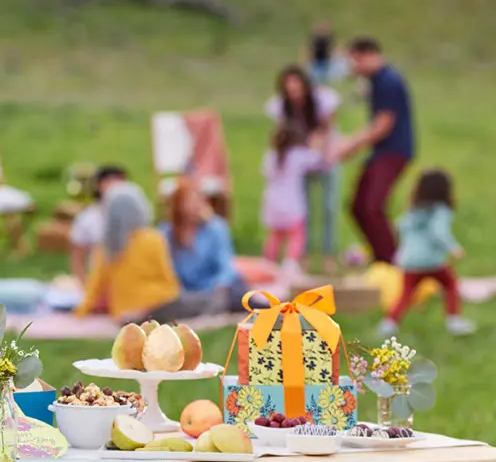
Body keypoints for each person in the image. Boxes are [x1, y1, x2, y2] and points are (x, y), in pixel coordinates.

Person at [75, 183, 220, 324]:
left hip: (124, 313)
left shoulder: (105, 248)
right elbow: (168, 279)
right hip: (160, 304)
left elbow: (95, 284)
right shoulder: (152, 238)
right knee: (209, 300)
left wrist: (81, 311)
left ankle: (141, 316)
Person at [335, 36, 415, 265]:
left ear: (368, 56)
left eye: (355, 61)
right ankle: (381, 255)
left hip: (394, 150)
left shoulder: (388, 81)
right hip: (381, 152)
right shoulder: (376, 81)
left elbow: (383, 124)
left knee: (372, 206)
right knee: (358, 206)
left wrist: (351, 145)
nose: (353, 68)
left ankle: (393, 261)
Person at [378, 169, 474, 336]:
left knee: (406, 294)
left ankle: (389, 324)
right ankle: (454, 320)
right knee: (450, 285)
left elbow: (399, 227)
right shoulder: (441, 210)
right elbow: (439, 232)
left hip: (409, 261)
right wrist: (453, 248)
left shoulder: (414, 210)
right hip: (431, 261)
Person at [265, 64, 341, 272]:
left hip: (323, 156)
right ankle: (302, 255)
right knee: (302, 208)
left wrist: (320, 147)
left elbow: (329, 127)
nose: (294, 95)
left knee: (328, 207)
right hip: (302, 160)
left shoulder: (321, 100)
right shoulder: (282, 107)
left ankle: (327, 254)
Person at [159, 179, 246, 312]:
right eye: (191, 201)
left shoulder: (215, 228)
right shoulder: (166, 233)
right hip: (185, 294)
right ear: (179, 205)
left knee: (237, 294)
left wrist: (218, 287)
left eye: (199, 200)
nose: (196, 205)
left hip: (216, 288)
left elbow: (226, 267)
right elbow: (165, 271)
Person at [260, 124, 331, 277]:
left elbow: (265, 172)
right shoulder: (297, 155)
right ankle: (290, 264)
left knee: (275, 235)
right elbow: (316, 161)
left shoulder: (271, 156)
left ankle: (268, 263)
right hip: (292, 202)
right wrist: (317, 145)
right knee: (297, 234)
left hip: (273, 202)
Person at [69, 165, 127, 284]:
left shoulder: (133, 216)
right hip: (100, 281)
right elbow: (78, 256)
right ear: (98, 185)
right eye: (109, 181)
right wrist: (84, 284)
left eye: (119, 181)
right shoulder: (88, 218)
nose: (115, 186)